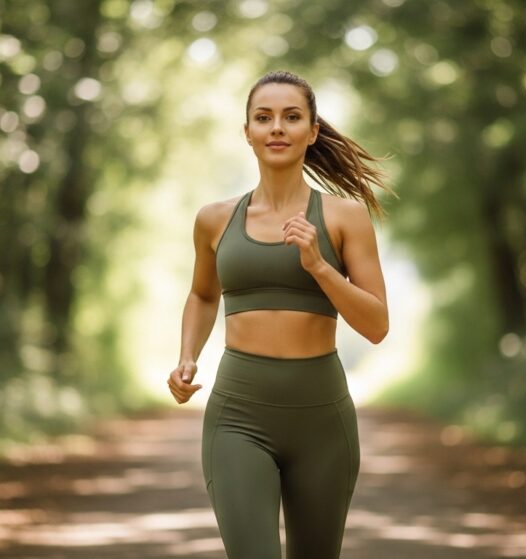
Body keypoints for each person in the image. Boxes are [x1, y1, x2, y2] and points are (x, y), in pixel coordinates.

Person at [167, 69, 395, 559]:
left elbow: (376, 325)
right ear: (246, 131)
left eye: (292, 117)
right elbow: (203, 296)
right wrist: (188, 357)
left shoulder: (343, 217)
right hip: (238, 416)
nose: (277, 128)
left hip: (322, 420)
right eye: (263, 117)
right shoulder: (214, 219)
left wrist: (319, 267)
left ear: (312, 131)